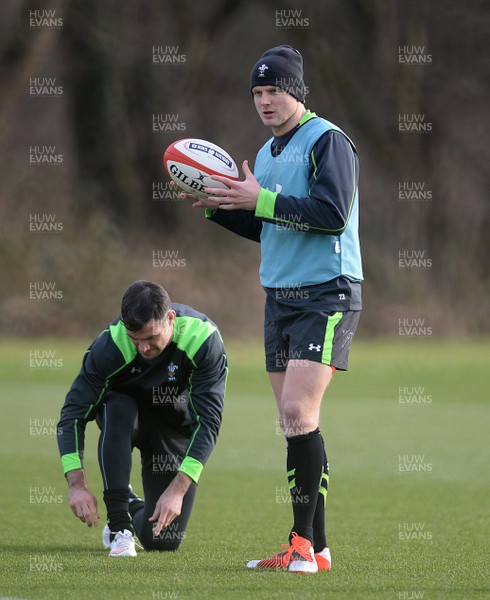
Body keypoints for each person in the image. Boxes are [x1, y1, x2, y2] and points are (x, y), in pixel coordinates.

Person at [184, 45, 363, 573]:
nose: (264, 100)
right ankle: (317, 547)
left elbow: (331, 213)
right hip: (279, 299)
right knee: (295, 426)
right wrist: (223, 205)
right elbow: (270, 225)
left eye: (274, 90)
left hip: (326, 293)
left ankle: (301, 546)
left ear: (297, 91)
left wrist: (258, 200)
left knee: (296, 413)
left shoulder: (327, 141)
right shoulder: (265, 154)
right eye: (257, 92)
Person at [57, 280, 227, 557]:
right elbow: (72, 415)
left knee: (163, 540)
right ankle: (119, 528)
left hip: (173, 429)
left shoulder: (202, 341)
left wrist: (178, 489)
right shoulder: (111, 345)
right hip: (126, 421)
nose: (143, 349)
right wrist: (76, 484)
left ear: (170, 318)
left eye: (151, 338)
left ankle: (130, 503)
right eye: (136, 339)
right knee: (118, 407)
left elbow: (208, 422)